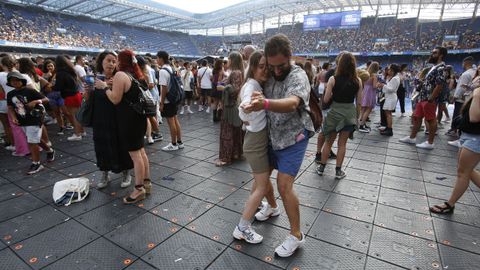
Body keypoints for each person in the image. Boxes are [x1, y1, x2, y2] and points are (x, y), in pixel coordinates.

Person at [244, 34, 314, 257]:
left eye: (280, 65)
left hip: (293, 139)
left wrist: (264, 103)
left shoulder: (298, 75)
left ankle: (296, 236)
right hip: (272, 137)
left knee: (284, 185)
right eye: (271, 66)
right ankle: (272, 207)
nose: (275, 71)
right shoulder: (271, 72)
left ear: (290, 57)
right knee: (262, 180)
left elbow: (293, 102)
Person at [234, 50, 279, 243]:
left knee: (262, 181)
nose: (265, 70)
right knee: (261, 186)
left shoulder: (257, 83)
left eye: (267, 66)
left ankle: (271, 207)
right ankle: (242, 227)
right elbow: (245, 103)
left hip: (258, 141)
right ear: (252, 67)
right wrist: (247, 108)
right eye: (261, 66)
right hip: (255, 144)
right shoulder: (251, 86)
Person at [105, 49, 150, 204]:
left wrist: (104, 88)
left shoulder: (120, 75)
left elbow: (115, 99)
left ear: (120, 61)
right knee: (141, 152)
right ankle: (146, 183)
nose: (115, 63)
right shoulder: (137, 75)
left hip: (128, 120)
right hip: (139, 118)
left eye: (116, 60)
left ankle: (139, 189)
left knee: (135, 155)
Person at [430, 87, 480, 214]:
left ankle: (450, 204)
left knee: (463, 172)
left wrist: (477, 93)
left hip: (476, 138)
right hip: (469, 135)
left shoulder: (478, 92)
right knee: (465, 170)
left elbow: (474, 117)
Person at [317, 52, 362, 179]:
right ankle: (338, 171)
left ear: (340, 64)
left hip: (335, 113)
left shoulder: (333, 79)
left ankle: (322, 167)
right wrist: (357, 118)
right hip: (349, 114)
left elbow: (325, 100)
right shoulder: (358, 80)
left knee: (328, 142)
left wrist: (332, 93)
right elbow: (359, 102)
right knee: (342, 144)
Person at [91, 50, 133, 189]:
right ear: (101, 61)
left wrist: (107, 87)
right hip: (100, 118)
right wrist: (87, 91)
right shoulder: (94, 78)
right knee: (101, 146)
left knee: (121, 145)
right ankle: (105, 173)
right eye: (108, 60)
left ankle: (126, 172)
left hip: (117, 117)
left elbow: (119, 99)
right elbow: (89, 100)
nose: (111, 64)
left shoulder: (119, 77)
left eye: (114, 61)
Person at [399, 47, 448, 149]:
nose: (432, 54)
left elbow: (439, 85)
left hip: (429, 98)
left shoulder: (441, 68)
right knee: (417, 118)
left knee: (431, 120)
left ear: (441, 55)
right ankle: (412, 138)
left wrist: (431, 98)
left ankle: (430, 143)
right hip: (423, 97)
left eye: (434, 53)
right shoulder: (434, 67)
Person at [6, 71, 55, 174]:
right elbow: (10, 107)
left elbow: (46, 99)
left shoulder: (30, 91)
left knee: (32, 142)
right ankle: (50, 150)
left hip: (34, 118)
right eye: (12, 81)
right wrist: (14, 117)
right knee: (34, 140)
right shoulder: (10, 94)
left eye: (16, 80)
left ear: (21, 81)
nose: (14, 82)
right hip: (22, 120)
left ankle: (36, 163)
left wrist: (36, 101)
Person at [216, 52, 245, 166]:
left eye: (229, 59)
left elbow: (235, 89)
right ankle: (235, 153)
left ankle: (225, 158)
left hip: (230, 108)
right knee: (236, 132)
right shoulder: (238, 72)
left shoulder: (235, 73)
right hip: (235, 106)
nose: (227, 61)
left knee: (227, 132)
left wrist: (223, 87)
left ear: (232, 60)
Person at [157, 50, 184, 152]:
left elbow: (164, 88)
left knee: (171, 122)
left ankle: (173, 144)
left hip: (168, 100)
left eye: (157, 58)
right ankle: (180, 142)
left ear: (161, 58)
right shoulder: (172, 68)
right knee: (175, 120)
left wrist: (162, 103)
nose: (156, 60)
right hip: (175, 98)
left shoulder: (163, 71)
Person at [54, 55, 85, 141]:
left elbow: (58, 87)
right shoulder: (71, 71)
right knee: (77, 116)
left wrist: (51, 87)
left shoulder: (60, 73)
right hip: (76, 94)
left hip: (70, 96)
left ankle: (77, 134)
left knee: (73, 116)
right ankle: (81, 131)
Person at [446, 56, 476, 139]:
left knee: (457, 114)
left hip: (461, 99)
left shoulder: (466, 74)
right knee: (464, 115)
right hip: (469, 99)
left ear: (465, 63)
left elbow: (461, 88)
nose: (462, 65)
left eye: (463, 63)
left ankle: (454, 130)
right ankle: (459, 131)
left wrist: (455, 97)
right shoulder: (474, 72)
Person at [377, 64, 401, 136]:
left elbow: (391, 89)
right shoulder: (394, 77)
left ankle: (389, 129)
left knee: (388, 114)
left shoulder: (395, 78)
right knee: (387, 114)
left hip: (391, 97)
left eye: (390, 69)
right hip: (389, 97)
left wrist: (383, 85)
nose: (388, 71)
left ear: (393, 71)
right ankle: (388, 128)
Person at [358, 61, 379, 133]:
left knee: (363, 109)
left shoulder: (366, 74)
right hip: (370, 92)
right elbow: (374, 86)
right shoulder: (374, 75)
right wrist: (378, 85)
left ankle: (361, 123)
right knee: (368, 109)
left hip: (364, 91)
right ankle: (362, 125)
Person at [0, 55, 16, 152]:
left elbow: (1, 91)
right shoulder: (19, 73)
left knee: (7, 125)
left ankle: (14, 144)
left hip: (4, 102)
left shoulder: (1, 75)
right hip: (18, 101)